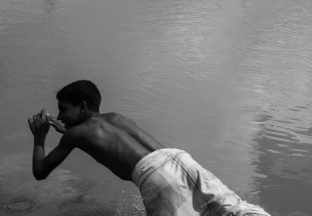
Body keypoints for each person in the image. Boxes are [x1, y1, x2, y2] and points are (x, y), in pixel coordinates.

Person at [28, 80, 270, 216]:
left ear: (81, 106)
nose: (59, 115)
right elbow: (95, 136)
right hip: (179, 159)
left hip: (155, 177)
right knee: (231, 209)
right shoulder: (114, 118)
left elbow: (40, 171)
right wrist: (68, 132)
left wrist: (39, 138)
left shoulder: (76, 134)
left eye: (63, 108)